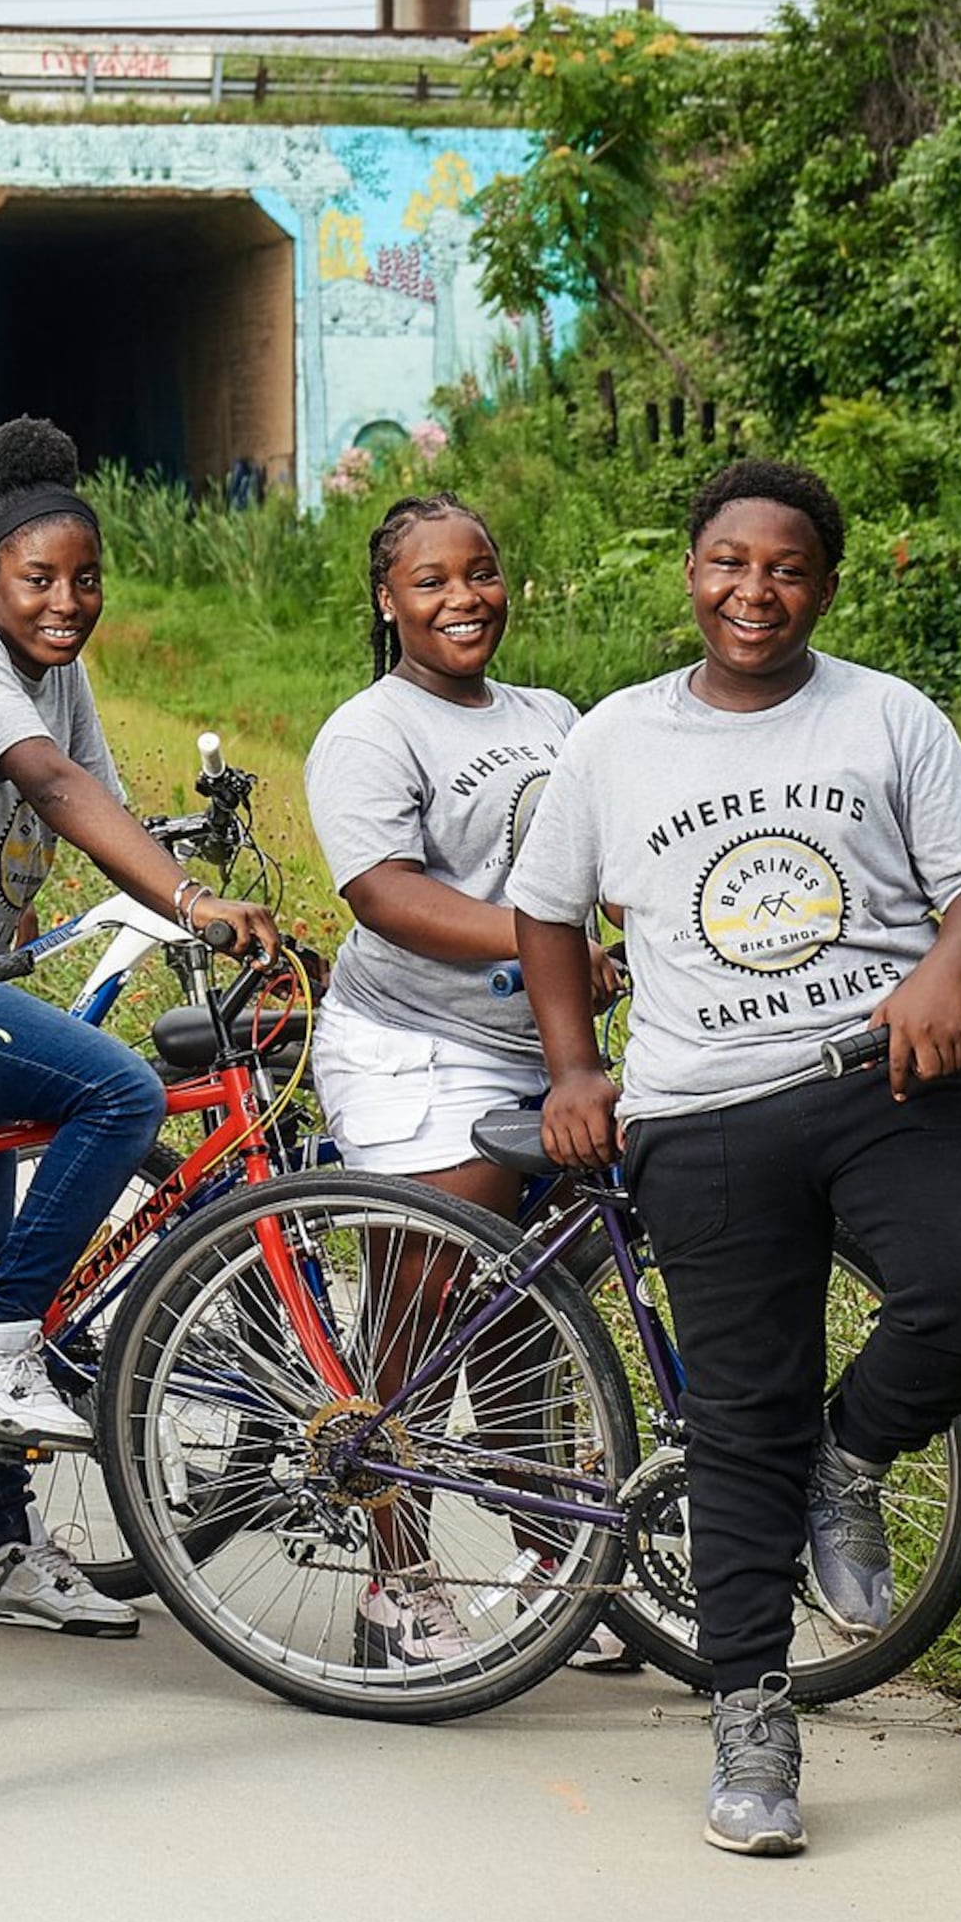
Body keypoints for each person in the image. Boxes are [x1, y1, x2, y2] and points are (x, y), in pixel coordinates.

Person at [509, 458, 961, 1859]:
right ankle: (751, 1716)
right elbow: (548, 917)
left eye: (787, 567)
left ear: (826, 584)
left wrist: (942, 975)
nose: (756, 589)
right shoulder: (617, 738)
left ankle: (853, 1462)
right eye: (729, 561)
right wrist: (575, 1068)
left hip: (889, 1078)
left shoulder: (888, 715)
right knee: (742, 1415)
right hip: (703, 1112)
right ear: (691, 570)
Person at [0, 418, 288, 1637]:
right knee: (120, 1097)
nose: (66, 601)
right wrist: (189, 903)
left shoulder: (57, 672)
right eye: (38, 581)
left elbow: (108, 806)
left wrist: (185, 884)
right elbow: (54, 785)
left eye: (87, 580)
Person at [301, 493, 595, 1669]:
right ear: (389, 600)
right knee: (423, 1302)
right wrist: (546, 941)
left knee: (531, 1306)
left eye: (479, 572)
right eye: (430, 582)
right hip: (412, 1049)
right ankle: (394, 1577)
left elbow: (596, 861)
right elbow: (382, 894)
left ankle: (551, 1559)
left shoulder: (552, 715)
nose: (462, 598)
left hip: (542, 1048)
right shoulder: (370, 730)